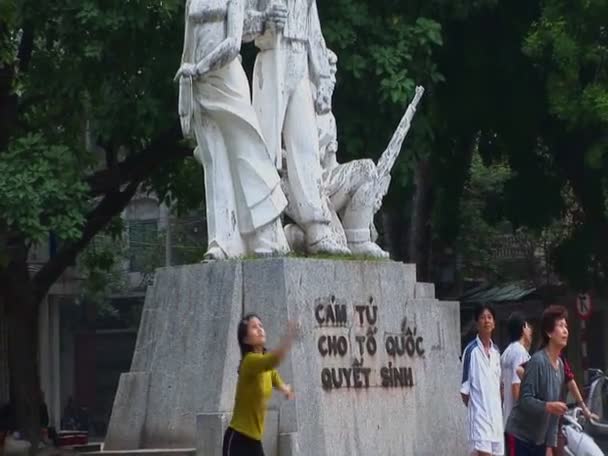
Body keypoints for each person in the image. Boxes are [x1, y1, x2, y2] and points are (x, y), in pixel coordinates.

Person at [175, 0, 289, 259]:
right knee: (214, 162)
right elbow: (188, 47)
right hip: (199, 84)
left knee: (247, 152)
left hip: (226, 79)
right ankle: (223, 242)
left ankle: (267, 236)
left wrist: (199, 68)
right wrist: (185, 92)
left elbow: (233, 43)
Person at [244, 0, 348, 255]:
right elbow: (240, 26)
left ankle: (317, 229)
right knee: (265, 149)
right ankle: (265, 227)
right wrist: (264, 19)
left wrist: (322, 77)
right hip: (271, 58)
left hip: (300, 60)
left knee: (307, 149)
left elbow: (314, 32)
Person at [223, 315, 297, 456]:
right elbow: (272, 361)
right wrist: (288, 337)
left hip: (254, 441)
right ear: (246, 339)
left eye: (261, 326)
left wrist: (284, 388)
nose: (260, 329)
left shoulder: (263, 366)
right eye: (254, 327)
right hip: (237, 440)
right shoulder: (249, 362)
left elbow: (273, 375)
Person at [506, 305, 569, 456]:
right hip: (520, 437)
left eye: (566, 326)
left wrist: (550, 446)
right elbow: (525, 400)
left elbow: (554, 416)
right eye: (560, 326)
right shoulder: (537, 361)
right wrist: (548, 406)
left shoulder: (560, 366)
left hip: (538, 441)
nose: (565, 330)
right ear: (548, 332)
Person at [461, 304, 504, 456]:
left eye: (489, 317)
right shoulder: (471, 351)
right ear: (476, 323)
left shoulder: (497, 352)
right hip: (480, 419)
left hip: (496, 420)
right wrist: (476, 408)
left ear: (494, 323)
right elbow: (464, 390)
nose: (486, 321)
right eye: (482, 317)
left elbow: (499, 385)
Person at [501, 312, 532, 454]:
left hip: (507, 419)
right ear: (523, 327)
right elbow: (516, 386)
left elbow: (501, 389)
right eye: (528, 326)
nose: (531, 330)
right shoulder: (520, 352)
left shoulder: (505, 353)